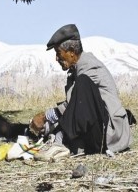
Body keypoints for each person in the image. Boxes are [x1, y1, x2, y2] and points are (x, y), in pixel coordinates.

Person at [30, 24, 132, 160]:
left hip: (108, 134)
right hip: (96, 131)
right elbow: (73, 110)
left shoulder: (89, 67)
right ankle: (59, 140)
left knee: (83, 83)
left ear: (71, 51)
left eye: (58, 53)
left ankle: (59, 142)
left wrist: (45, 117)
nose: (56, 58)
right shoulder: (75, 70)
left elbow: (72, 105)